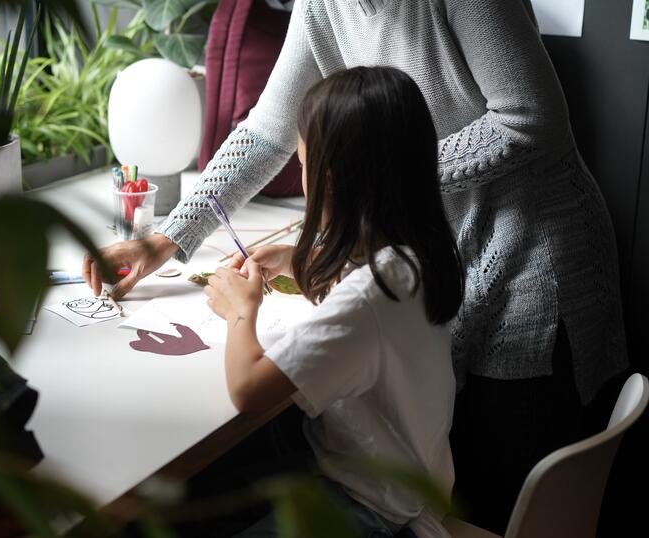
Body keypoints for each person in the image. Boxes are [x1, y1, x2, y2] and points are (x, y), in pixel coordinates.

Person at [84, 0, 628, 530]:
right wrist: (164, 240)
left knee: (497, 488)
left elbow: (530, 118)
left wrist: (382, 175)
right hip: (433, 242)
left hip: (532, 259)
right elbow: (268, 131)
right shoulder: (323, 6)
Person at [203, 66, 462, 537]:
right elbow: (360, 283)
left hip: (368, 513)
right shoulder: (417, 257)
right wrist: (301, 259)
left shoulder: (369, 298)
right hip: (408, 491)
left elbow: (248, 391)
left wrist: (241, 310)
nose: (300, 176)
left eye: (302, 165)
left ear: (329, 178)